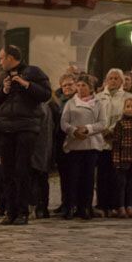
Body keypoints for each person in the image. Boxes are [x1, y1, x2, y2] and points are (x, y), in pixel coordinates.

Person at [0, 45, 52, 226]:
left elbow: (46, 94)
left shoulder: (33, 72)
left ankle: (23, 212)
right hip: (6, 128)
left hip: (26, 127)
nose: (0, 61)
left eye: (1, 58)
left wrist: (26, 84)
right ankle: (11, 212)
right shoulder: (3, 77)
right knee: (7, 172)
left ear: (10, 58)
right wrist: (5, 90)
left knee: (22, 171)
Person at [60, 73, 106, 220]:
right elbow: (64, 122)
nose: (80, 89)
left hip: (91, 145)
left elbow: (102, 123)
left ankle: (85, 207)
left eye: (83, 86)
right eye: (78, 85)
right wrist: (74, 131)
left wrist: (87, 129)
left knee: (88, 178)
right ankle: (71, 206)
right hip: (75, 146)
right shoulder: (70, 103)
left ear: (90, 88)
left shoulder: (98, 103)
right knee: (73, 178)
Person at [96, 68, 129, 217]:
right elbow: (95, 116)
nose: (113, 81)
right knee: (102, 175)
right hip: (101, 140)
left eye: (117, 78)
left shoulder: (127, 97)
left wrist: (112, 130)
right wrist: (103, 130)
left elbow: (124, 116)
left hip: (118, 141)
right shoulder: (98, 97)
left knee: (116, 176)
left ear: (122, 81)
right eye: (111, 78)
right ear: (106, 80)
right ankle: (102, 205)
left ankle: (115, 204)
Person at [110, 96, 132, 218]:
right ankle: (121, 206)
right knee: (121, 184)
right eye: (128, 107)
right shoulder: (120, 124)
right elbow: (116, 143)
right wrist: (116, 160)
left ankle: (130, 205)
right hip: (123, 159)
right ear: (124, 108)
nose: (130, 109)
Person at [52, 74, 76, 216]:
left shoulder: (78, 100)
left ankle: (72, 203)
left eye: (70, 84)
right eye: (64, 85)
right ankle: (64, 202)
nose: (67, 87)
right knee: (63, 174)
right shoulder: (58, 102)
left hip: (73, 139)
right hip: (60, 139)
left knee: (73, 175)